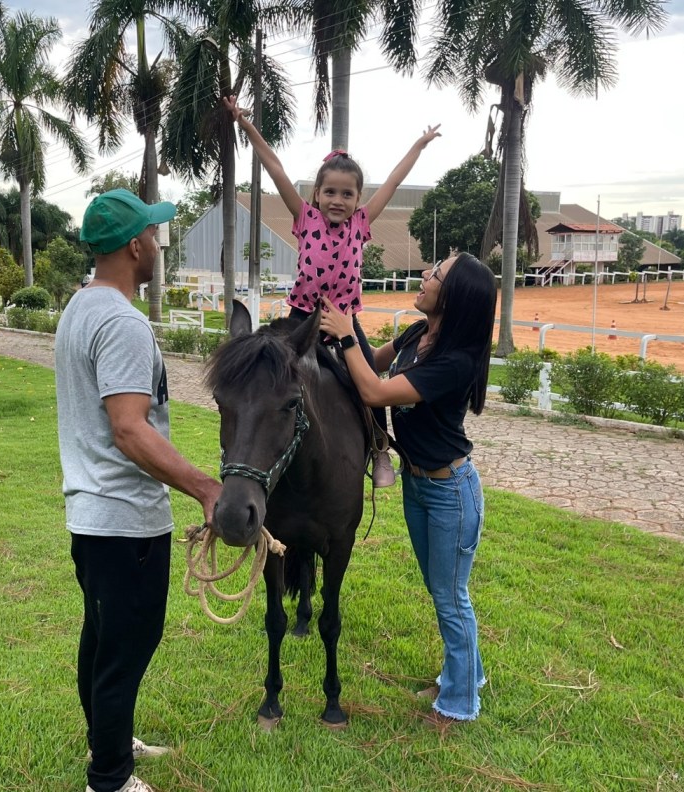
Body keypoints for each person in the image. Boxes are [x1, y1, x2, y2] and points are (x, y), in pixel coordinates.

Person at [55, 189, 222, 792]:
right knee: (126, 645)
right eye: (152, 234)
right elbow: (129, 427)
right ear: (134, 245)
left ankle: (111, 739)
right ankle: (112, 777)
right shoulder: (122, 321)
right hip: (124, 519)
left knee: (102, 638)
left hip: (91, 513)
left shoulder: (80, 307)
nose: (158, 243)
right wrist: (205, 487)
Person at [223, 94, 441, 488]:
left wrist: (418, 146)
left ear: (358, 199)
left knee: (370, 379)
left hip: (343, 322)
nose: (337, 200)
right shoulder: (303, 218)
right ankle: (254, 449)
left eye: (347, 194)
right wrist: (245, 124)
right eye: (330, 192)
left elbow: (393, 181)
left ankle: (377, 448)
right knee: (266, 375)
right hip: (300, 318)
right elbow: (274, 167)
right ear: (316, 195)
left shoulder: (361, 223)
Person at [318, 253, 496, 725]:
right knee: (442, 591)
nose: (423, 275)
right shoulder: (420, 334)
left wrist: (343, 332)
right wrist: (344, 318)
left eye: (434, 274)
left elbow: (375, 391)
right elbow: (371, 361)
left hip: (450, 491)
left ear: (452, 295)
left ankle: (459, 705)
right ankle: (466, 675)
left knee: (451, 596)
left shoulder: (455, 361)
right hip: (419, 485)